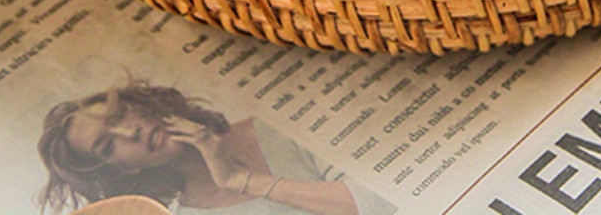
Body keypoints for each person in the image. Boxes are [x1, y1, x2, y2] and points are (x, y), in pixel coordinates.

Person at [36, 82, 393, 215]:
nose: (130, 132)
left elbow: (382, 204)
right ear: (122, 170)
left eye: (122, 114)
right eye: (107, 144)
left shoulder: (270, 124)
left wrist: (242, 179)